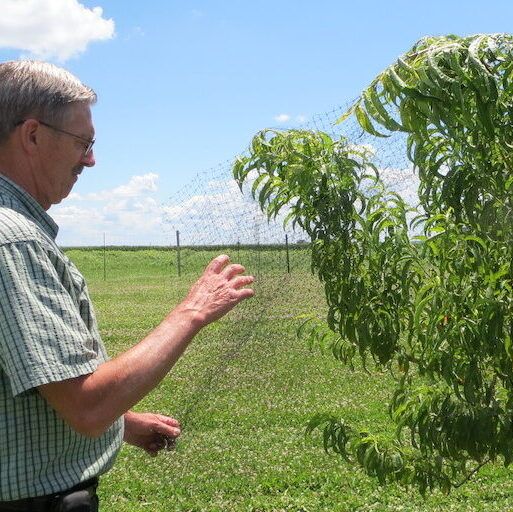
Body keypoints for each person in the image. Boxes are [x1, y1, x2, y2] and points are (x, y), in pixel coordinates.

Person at [0, 60, 255, 512]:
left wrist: (125, 424)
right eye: (83, 142)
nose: (91, 159)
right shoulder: (14, 241)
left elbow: (42, 391)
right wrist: (191, 312)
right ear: (33, 135)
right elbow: (86, 406)